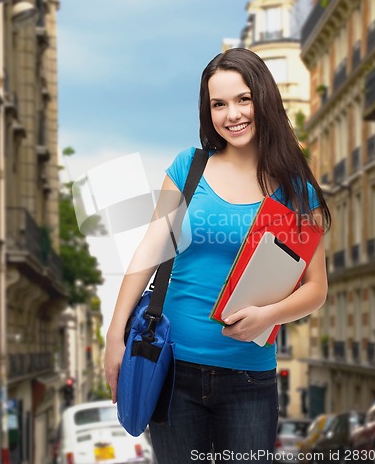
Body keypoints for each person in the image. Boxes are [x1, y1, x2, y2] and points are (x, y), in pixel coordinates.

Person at [105, 48, 331, 463]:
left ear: (263, 99)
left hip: (249, 377)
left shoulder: (295, 190)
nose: (233, 114)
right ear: (207, 111)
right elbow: (150, 249)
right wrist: (113, 336)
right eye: (218, 104)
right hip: (170, 370)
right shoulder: (190, 168)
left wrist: (269, 316)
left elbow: (316, 288)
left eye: (243, 99)